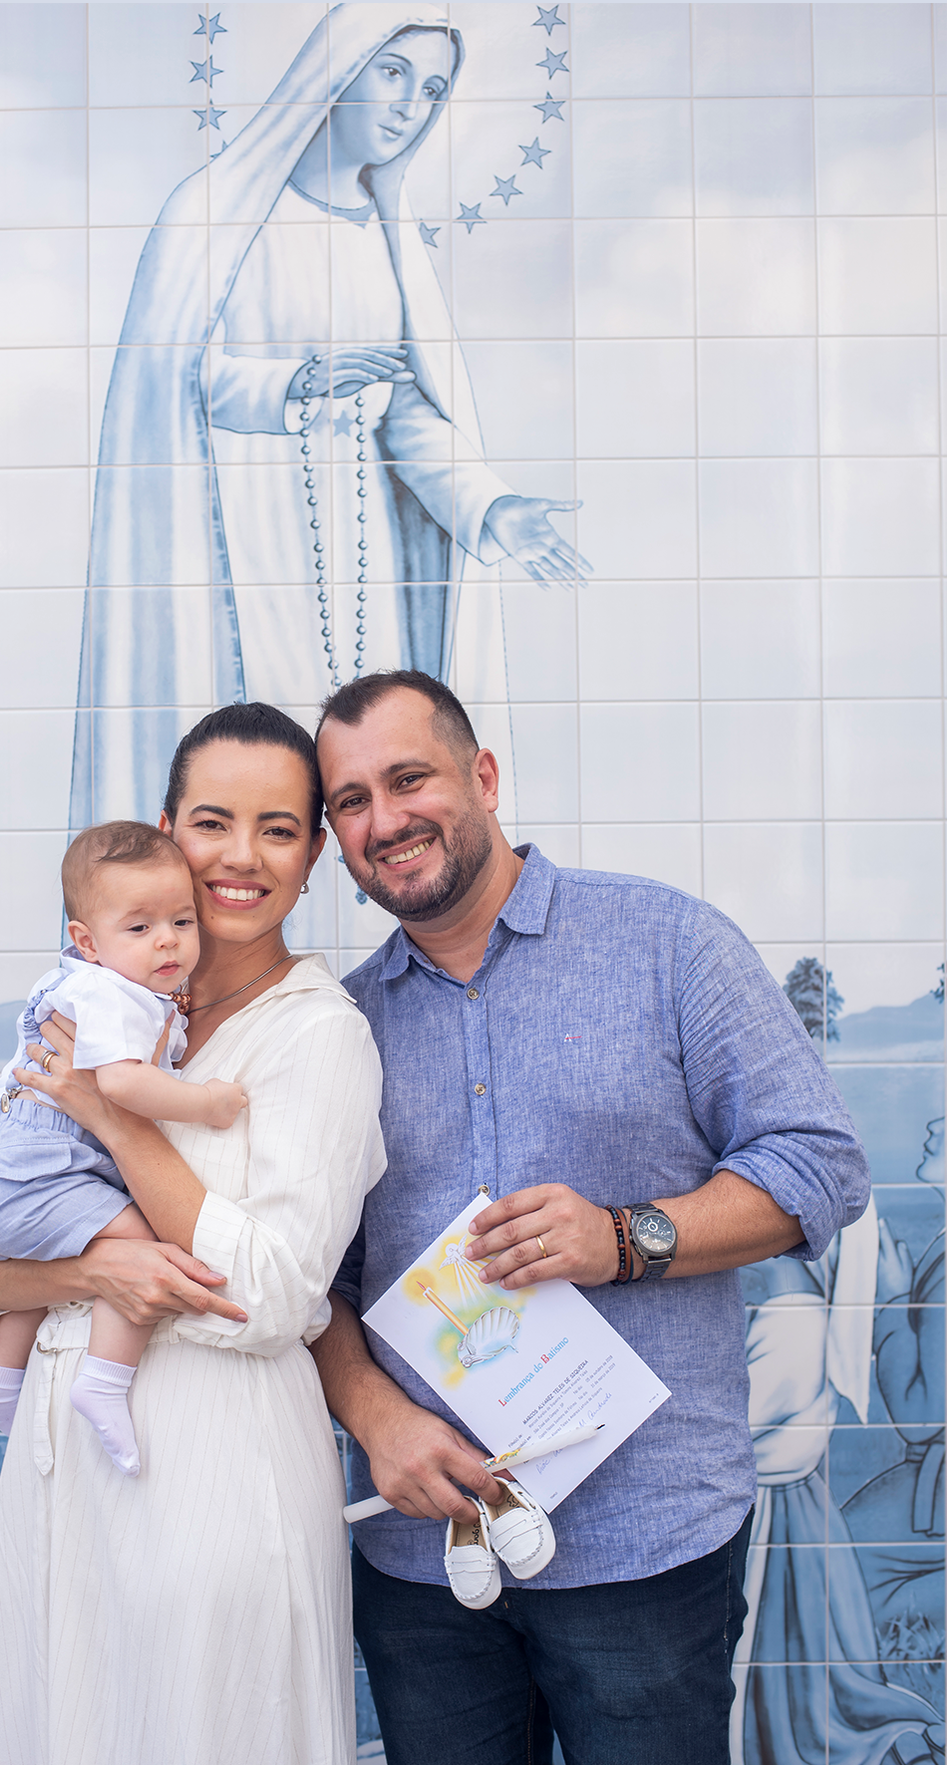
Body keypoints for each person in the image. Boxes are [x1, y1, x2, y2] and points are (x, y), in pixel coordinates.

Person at [309, 669, 872, 1765]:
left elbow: (820, 1162)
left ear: (482, 775)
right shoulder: (338, 1029)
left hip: (647, 1542)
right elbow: (311, 1286)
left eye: (409, 778)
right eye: (351, 801)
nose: (385, 821)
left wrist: (626, 1239)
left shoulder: (668, 944)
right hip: (431, 1567)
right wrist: (377, 1420)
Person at [0, 703, 385, 1765]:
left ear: (316, 851)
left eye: (279, 828)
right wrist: (92, 1266)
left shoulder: (320, 1036)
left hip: (216, 1479)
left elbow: (273, 1293)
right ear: (165, 828)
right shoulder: (95, 1004)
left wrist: (107, 1114)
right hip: (60, 1490)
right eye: (213, 821)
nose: (240, 856)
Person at [71, 1, 588, 829]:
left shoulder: (390, 235)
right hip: (244, 552)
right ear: (335, 68)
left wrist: (490, 505)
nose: (408, 104)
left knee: (369, 790)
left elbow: (407, 411)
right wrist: (294, 383)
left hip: (367, 571)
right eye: (392, 72)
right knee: (257, 790)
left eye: (431, 89)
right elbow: (169, 380)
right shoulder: (217, 214)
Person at [0, 821, 247, 1478]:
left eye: (181, 919)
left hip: (3, 1177)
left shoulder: (111, 988)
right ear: (86, 941)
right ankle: (105, 1380)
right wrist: (208, 1102)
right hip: (41, 1174)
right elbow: (118, 1083)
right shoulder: (106, 993)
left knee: (59, 1247)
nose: (167, 940)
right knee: (143, 1240)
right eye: (139, 929)